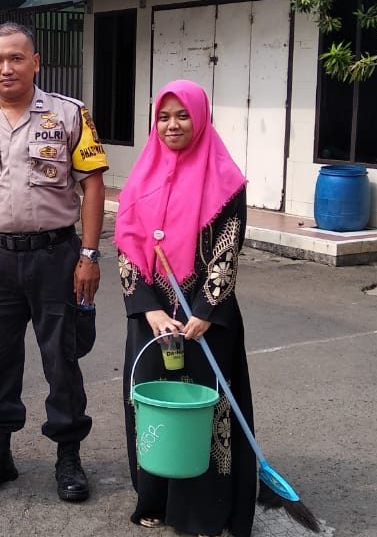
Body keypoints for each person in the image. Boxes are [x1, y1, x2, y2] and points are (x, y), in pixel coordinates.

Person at [0, 22, 108, 502]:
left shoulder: (69, 116)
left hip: (56, 257)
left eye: (16, 58)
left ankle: (69, 457)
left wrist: (89, 254)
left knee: (62, 359)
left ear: (35, 62)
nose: (6, 68)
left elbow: (93, 185)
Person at [113, 80, 255, 535]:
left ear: (201, 117)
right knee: (152, 407)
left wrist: (205, 308)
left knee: (204, 411)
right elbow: (127, 246)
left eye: (183, 116)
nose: (172, 126)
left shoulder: (225, 179)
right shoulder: (141, 175)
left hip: (205, 319)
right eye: (163, 117)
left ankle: (205, 509)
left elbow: (227, 249)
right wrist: (148, 308)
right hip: (153, 317)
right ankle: (153, 498)